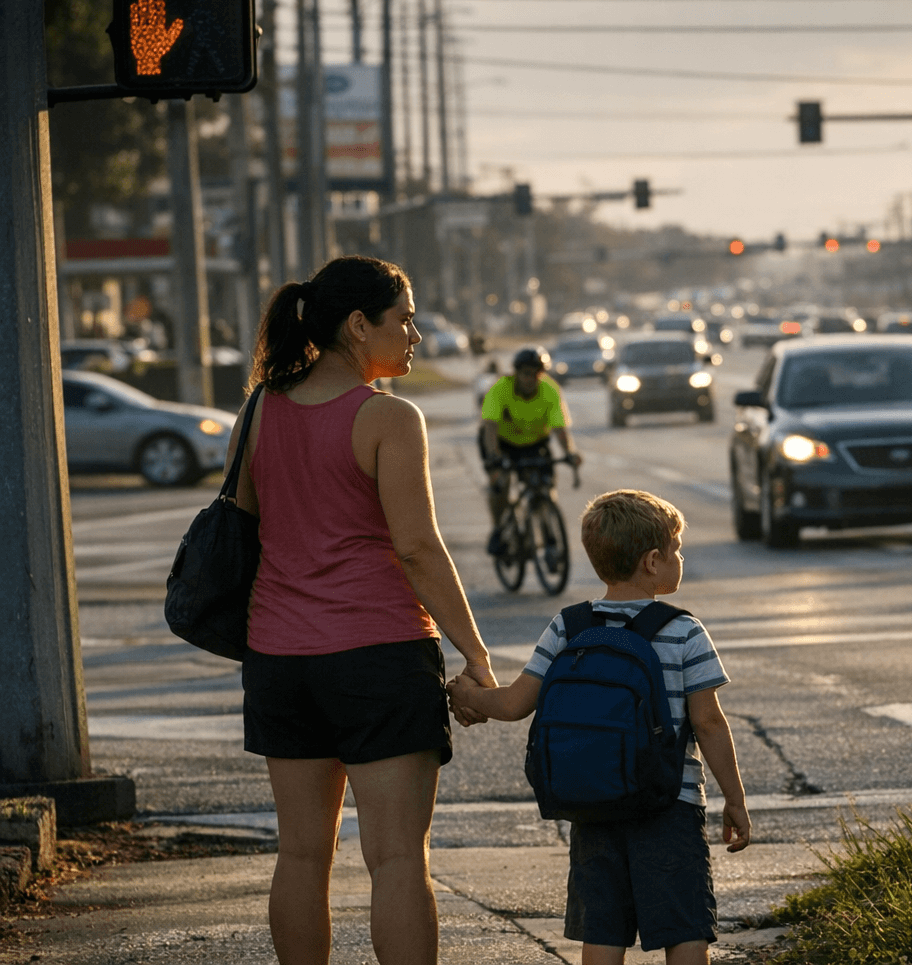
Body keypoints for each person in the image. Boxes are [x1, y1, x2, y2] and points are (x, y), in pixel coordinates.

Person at [229, 255, 498, 965]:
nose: (415, 333)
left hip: (280, 660)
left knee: (300, 855)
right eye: (403, 317)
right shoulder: (387, 417)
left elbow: (246, 526)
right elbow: (417, 548)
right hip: (377, 655)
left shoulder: (260, 408)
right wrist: (476, 654)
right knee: (397, 860)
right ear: (357, 325)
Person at [446, 490, 751, 965]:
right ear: (653, 561)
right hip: (668, 805)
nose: (680, 558)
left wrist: (468, 697)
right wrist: (734, 797)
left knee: (603, 930)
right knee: (685, 925)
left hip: (592, 805)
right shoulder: (684, 631)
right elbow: (708, 722)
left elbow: (514, 704)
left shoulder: (569, 626)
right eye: (677, 550)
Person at [479, 346, 583, 555]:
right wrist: (495, 457)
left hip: (535, 443)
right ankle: (499, 529)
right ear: (516, 372)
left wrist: (570, 452)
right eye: (526, 373)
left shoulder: (550, 390)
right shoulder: (500, 388)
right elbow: (490, 426)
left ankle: (544, 534)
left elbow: (559, 428)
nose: (531, 378)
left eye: (537, 373)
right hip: (501, 442)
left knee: (544, 488)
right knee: (501, 484)